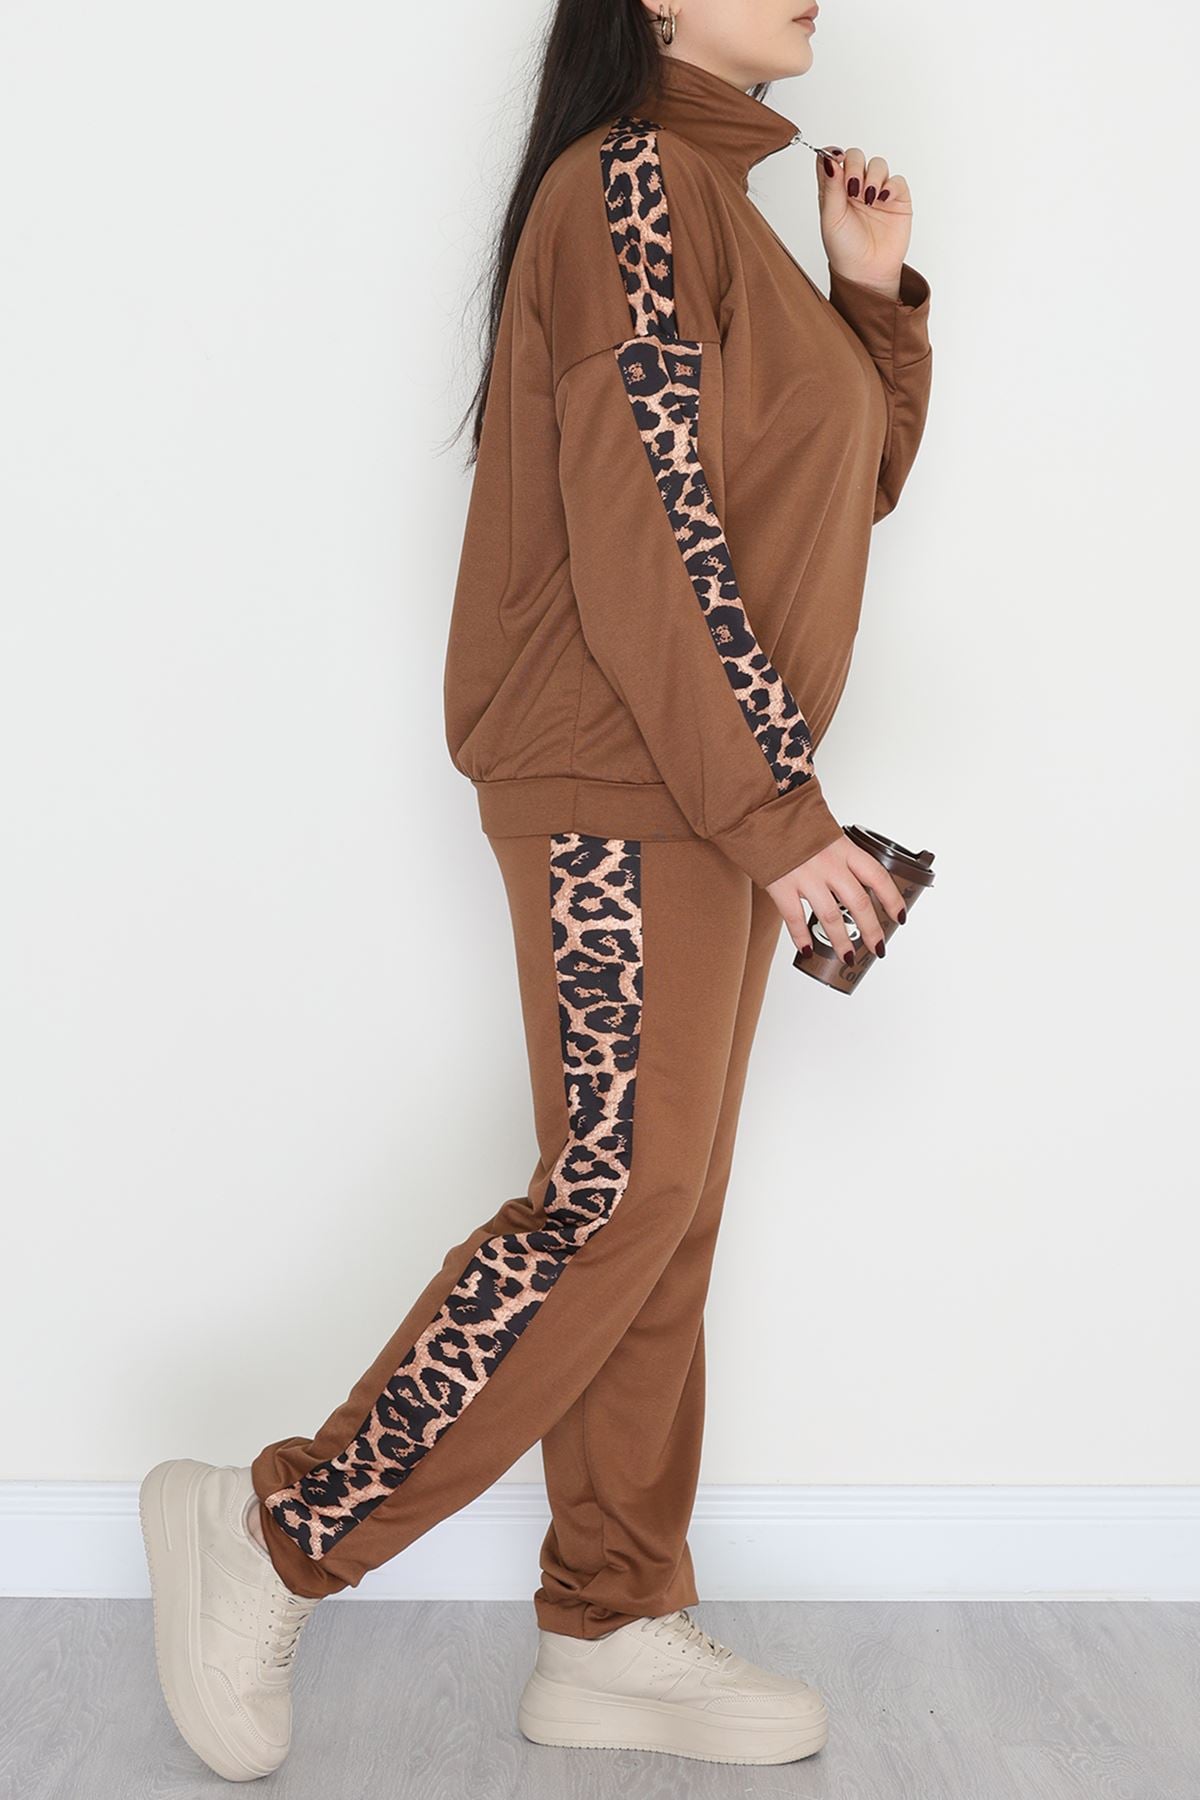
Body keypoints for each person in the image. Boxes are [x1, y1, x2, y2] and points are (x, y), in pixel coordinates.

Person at [139, 0, 933, 1778]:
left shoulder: (722, 208)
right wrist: (780, 810)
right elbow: (650, 526)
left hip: (706, 788)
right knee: (618, 1198)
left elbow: (828, 502)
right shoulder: (628, 184)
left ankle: (612, 1620)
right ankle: (274, 1533)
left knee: (659, 1212)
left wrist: (872, 304)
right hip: (625, 778)